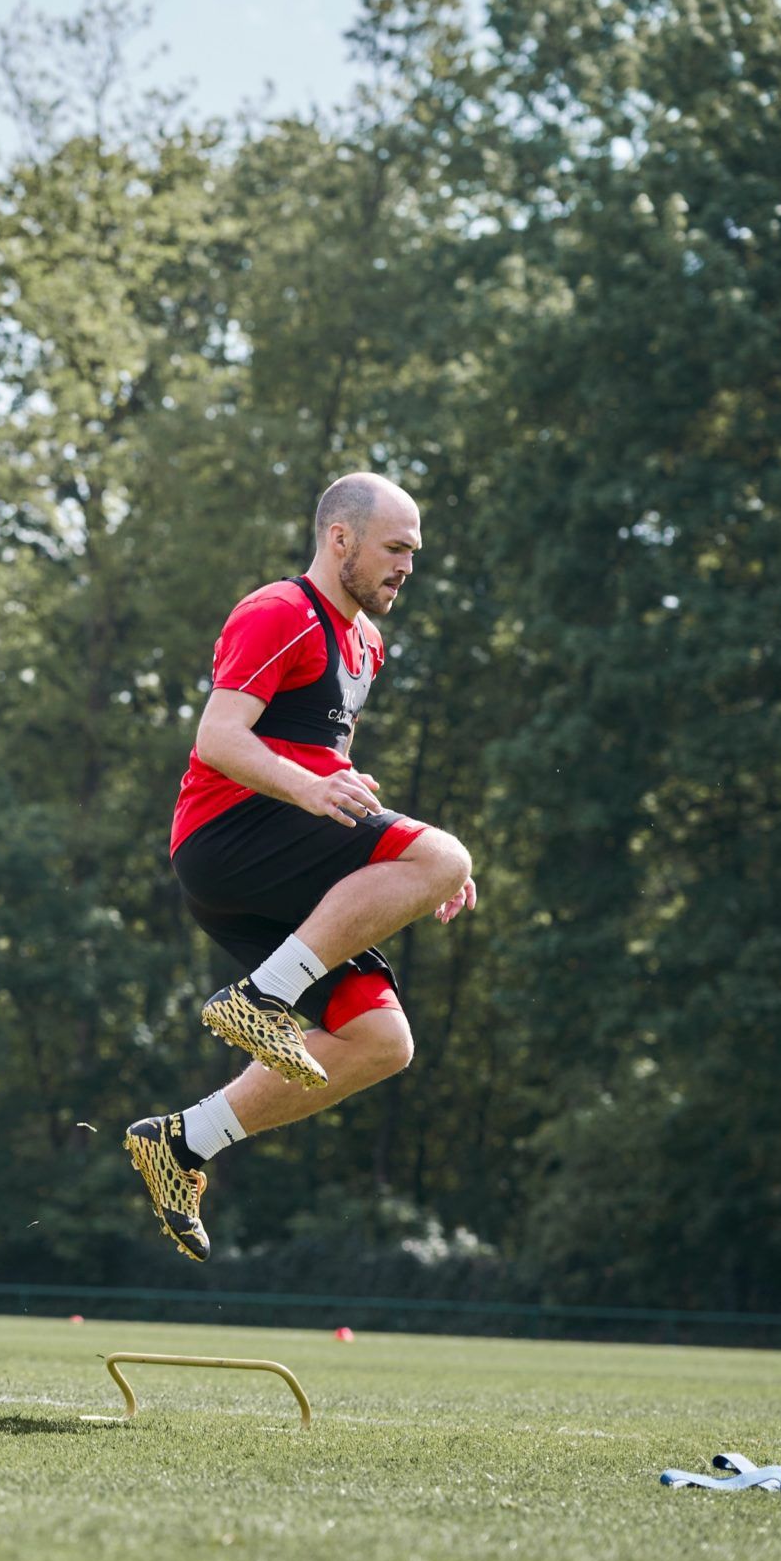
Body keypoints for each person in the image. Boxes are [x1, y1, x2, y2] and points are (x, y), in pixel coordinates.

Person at [129, 473, 478, 1261]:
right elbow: (219, 737)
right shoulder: (279, 611)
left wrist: (420, 862)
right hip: (226, 838)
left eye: (414, 554)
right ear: (340, 538)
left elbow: (323, 761)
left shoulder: (367, 643)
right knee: (444, 852)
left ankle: (181, 1143)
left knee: (382, 1042)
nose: (407, 568)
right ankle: (261, 999)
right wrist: (402, 840)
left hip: (276, 859)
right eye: (396, 549)